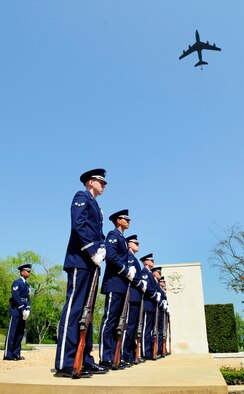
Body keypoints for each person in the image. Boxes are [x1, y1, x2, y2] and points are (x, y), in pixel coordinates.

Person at [54, 168, 108, 378]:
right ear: (90, 182)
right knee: (74, 310)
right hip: (80, 260)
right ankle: (65, 362)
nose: (104, 185)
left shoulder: (96, 205)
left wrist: (102, 248)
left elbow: (98, 233)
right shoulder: (81, 197)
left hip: (92, 263)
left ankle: (84, 359)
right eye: (101, 182)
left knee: (87, 313)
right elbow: (78, 227)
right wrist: (92, 250)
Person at [99, 209, 136, 370]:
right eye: (126, 219)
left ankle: (114, 356)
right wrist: (125, 270)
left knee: (117, 323)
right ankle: (105, 357)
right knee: (110, 320)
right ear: (118, 220)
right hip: (114, 283)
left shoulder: (121, 238)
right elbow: (111, 257)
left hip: (121, 285)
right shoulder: (113, 235)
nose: (128, 222)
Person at [121, 234, 146, 366]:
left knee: (133, 326)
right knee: (129, 327)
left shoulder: (133, 258)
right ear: (129, 244)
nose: (138, 245)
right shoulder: (129, 256)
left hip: (136, 296)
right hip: (131, 295)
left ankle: (129, 354)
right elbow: (132, 276)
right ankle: (125, 354)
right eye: (135, 243)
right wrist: (140, 282)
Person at [4, 263, 32, 361]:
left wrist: (27, 309)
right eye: (27, 271)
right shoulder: (17, 283)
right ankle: (8, 354)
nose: (29, 273)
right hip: (16, 311)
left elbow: (28, 298)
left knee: (20, 333)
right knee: (12, 333)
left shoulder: (27, 285)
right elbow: (15, 297)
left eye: (30, 271)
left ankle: (16, 353)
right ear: (22, 272)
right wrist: (22, 308)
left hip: (23, 312)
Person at [140, 253, 160, 361]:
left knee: (149, 329)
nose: (153, 262)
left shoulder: (149, 274)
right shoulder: (144, 273)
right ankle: (144, 352)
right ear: (146, 261)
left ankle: (148, 351)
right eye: (151, 260)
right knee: (145, 330)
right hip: (147, 304)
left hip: (151, 305)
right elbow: (147, 287)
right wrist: (154, 295)